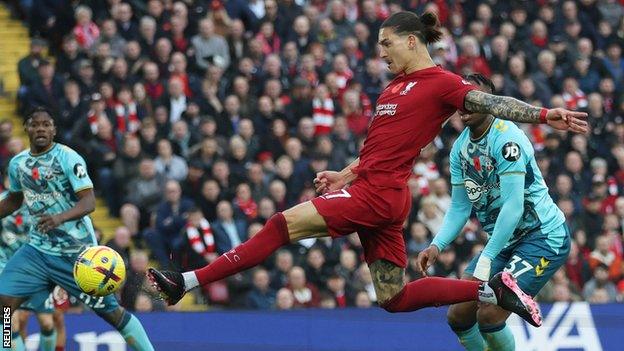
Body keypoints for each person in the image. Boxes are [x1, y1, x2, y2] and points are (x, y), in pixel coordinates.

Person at [149, 11, 588, 328]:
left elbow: (492, 103)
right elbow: (380, 149)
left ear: (412, 41)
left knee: (280, 224)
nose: (381, 52)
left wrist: (544, 113)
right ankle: (491, 290)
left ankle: (187, 281)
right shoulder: (393, 88)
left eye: (387, 43)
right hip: (377, 193)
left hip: (378, 196)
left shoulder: (444, 84)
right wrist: (345, 174)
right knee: (393, 299)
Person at [417, 74, 571, 351]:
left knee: (489, 314)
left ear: (491, 104)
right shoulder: (460, 149)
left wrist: (487, 256)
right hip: (504, 242)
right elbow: (460, 207)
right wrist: (437, 244)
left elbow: (513, 208)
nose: (466, 106)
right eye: (462, 100)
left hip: (543, 236)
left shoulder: (508, 141)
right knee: (458, 314)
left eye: (475, 100)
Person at [0, 107, 154, 351]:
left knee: (112, 314)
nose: (40, 128)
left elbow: (89, 201)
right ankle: (6, 346)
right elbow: (13, 200)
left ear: (54, 130)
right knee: (4, 306)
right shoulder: (18, 164)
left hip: (76, 254)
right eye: (35, 124)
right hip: (36, 251)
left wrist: (59, 218)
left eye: (46, 124)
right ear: (27, 129)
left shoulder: (68, 158)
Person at [0, 189, 60, 351]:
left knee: (47, 322)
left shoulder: (41, 204)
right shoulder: (3, 202)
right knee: (9, 322)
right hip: (6, 270)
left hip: (35, 271)